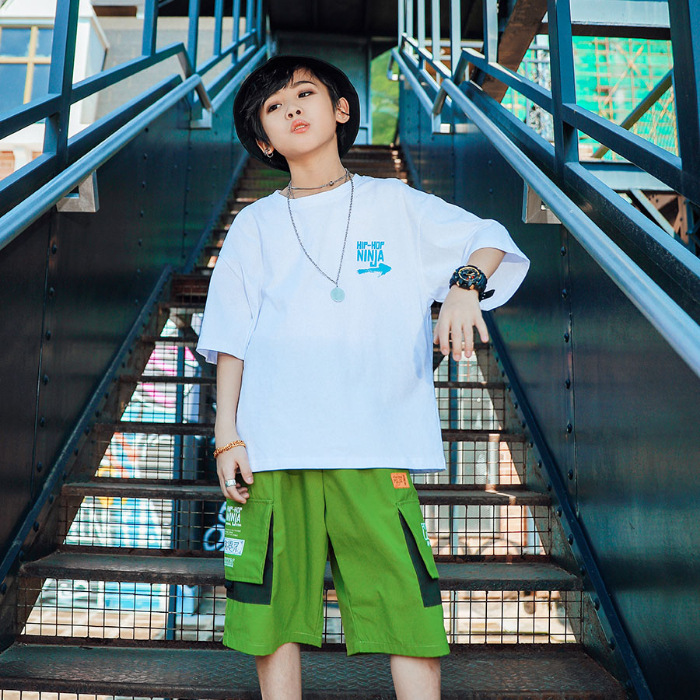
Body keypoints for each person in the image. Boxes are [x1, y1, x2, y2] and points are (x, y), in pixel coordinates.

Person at [196, 55, 530, 700]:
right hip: (274, 446)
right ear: (264, 141)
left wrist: (463, 288)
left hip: (375, 443)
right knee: (270, 613)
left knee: (406, 610)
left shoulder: (394, 203)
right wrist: (226, 436)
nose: (293, 109)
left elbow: (488, 237)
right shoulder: (253, 223)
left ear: (341, 109)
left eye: (305, 93)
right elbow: (231, 336)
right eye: (274, 107)